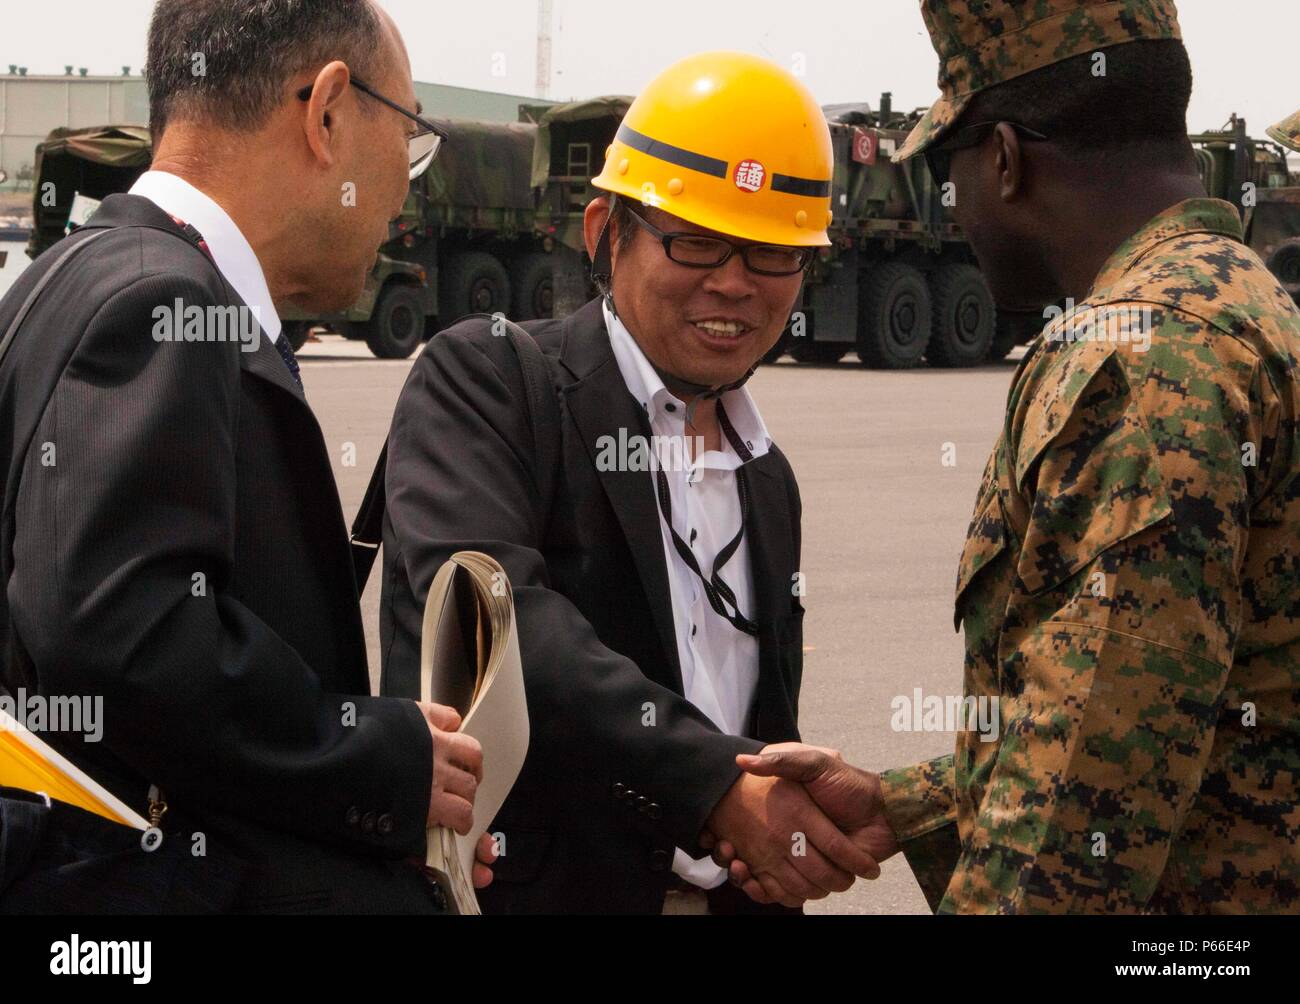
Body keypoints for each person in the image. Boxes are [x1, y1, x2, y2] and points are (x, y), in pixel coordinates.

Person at [716, 0, 1300, 914]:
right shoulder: (1235, 302)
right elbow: (1167, 712)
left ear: (1005, 159)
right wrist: (906, 804)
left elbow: (1086, 809)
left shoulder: (1139, 359)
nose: (957, 214)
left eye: (952, 172)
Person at [0, 0, 492, 913]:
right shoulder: (162, 300)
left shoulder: (68, 277)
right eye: (409, 140)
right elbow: (121, 633)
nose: (404, 189)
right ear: (329, 111)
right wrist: (376, 757)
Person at [379, 51, 879, 914]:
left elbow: (760, 722)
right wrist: (716, 787)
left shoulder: (768, 478)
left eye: (773, 254)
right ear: (603, 229)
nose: (734, 282)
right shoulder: (489, 378)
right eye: (693, 240)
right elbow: (504, 627)